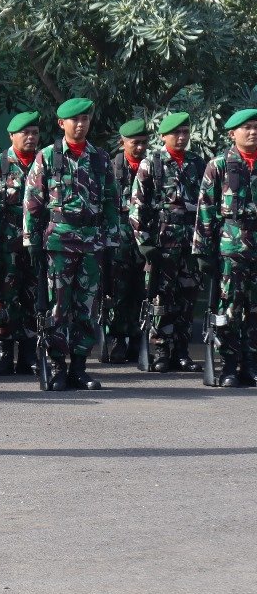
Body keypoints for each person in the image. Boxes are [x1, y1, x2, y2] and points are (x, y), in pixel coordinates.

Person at [22, 97, 120, 390]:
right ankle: (56, 366)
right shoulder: (47, 157)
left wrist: (111, 240)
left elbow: (111, 202)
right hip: (59, 244)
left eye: (85, 119)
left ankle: (79, 367)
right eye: (75, 120)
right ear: (61, 123)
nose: (80, 124)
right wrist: (32, 241)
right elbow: (32, 202)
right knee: (57, 307)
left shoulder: (100, 158)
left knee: (85, 307)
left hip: (91, 243)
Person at [130, 112, 205, 372]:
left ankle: (182, 352)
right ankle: (161, 350)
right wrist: (143, 241)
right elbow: (137, 205)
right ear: (163, 136)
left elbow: (207, 204)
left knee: (187, 297)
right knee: (161, 299)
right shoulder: (152, 163)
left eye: (185, 132)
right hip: (162, 243)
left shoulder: (197, 163)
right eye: (176, 133)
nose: (181, 137)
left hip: (190, 243)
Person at [193, 107, 257, 387]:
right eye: (247, 128)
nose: (253, 132)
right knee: (229, 307)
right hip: (230, 249)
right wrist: (203, 252)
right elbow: (205, 210)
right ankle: (228, 365)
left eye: (256, 127)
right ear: (233, 134)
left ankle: (251, 364)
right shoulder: (218, 165)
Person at [0, 110, 42, 375]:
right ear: (12, 135)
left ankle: (28, 354)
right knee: (3, 303)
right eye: (25, 133)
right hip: (5, 249)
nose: (30, 137)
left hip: (35, 247)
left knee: (33, 300)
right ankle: (3, 353)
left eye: (34, 133)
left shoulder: (44, 163)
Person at [107, 119, 151, 363]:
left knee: (142, 289)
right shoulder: (111, 167)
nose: (140, 147)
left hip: (144, 238)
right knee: (119, 290)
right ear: (122, 142)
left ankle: (137, 337)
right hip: (119, 239)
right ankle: (117, 338)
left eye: (144, 142)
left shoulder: (152, 166)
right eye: (135, 143)